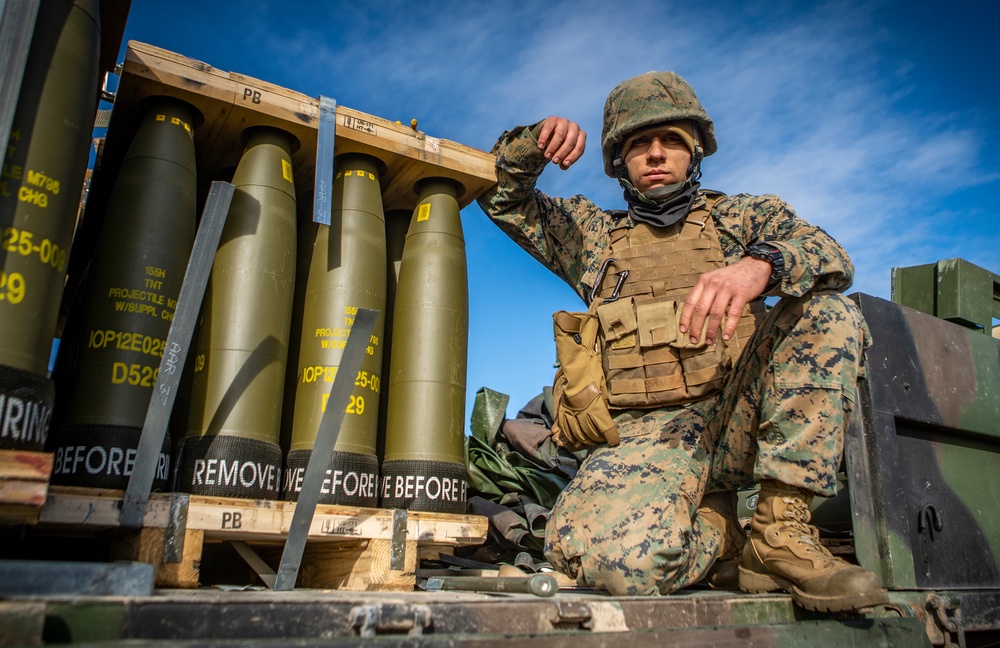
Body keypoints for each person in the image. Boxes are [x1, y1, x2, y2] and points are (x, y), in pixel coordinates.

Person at [476, 71, 888, 613]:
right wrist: (535, 141)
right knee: (608, 565)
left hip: (742, 418)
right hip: (649, 437)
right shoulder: (592, 237)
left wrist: (758, 265)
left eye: (671, 140)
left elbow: (829, 255)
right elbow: (502, 197)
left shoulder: (741, 217)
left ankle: (780, 528)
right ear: (618, 162)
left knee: (827, 311)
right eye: (637, 144)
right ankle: (720, 535)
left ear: (694, 152)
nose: (655, 153)